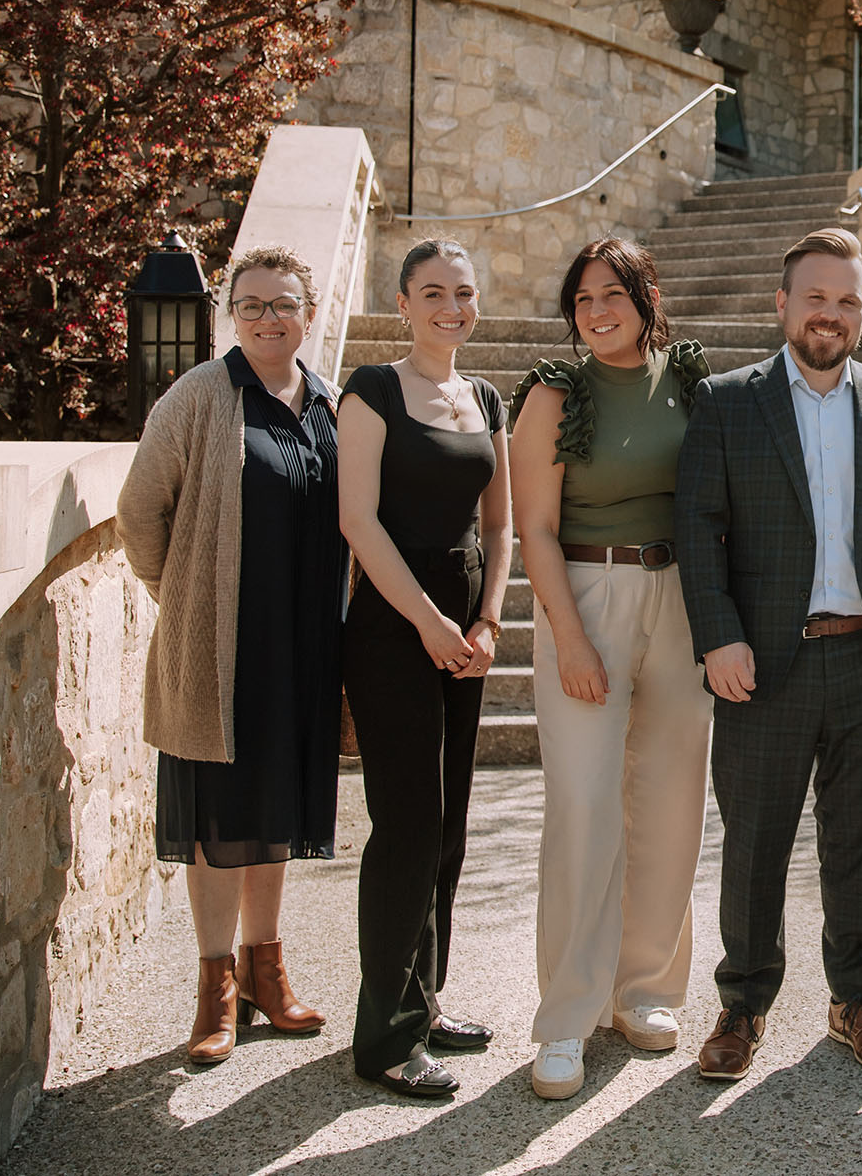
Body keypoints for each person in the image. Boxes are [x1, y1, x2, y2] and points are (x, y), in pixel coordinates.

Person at [676, 227, 862, 1081]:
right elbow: (699, 528)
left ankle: (855, 998)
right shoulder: (727, 400)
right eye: (816, 296)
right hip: (761, 661)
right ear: (785, 303)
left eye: (848, 300)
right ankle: (743, 1004)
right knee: (755, 839)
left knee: (860, 839)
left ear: (861, 312)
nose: (831, 314)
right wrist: (718, 635)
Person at [118, 244, 345, 1066]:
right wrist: (178, 596)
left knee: (276, 814)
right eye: (250, 305)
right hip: (220, 648)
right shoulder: (199, 398)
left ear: (308, 314)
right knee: (217, 822)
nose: (266, 318)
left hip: (303, 646)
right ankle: (215, 987)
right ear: (230, 315)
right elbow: (141, 513)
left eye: (282, 304)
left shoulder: (328, 401)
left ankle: (267, 969)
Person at [508, 240, 715, 1101]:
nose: (596, 311)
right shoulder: (556, 392)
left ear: (646, 295)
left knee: (670, 803)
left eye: (611, 294)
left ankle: (646, 992)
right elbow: (536, 530)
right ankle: (566, 1017)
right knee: (587, 806)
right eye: (582, 298)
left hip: (681, 598)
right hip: (585, 597)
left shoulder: (692, 383)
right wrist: (571, 637)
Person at [337, 239, 514, 1098]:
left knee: (448, 826)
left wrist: (485, 620)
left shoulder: (485, 396)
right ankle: (385, 1036)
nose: (452, 306)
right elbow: (359, 523)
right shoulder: (371, 390)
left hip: (463, 634)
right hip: (394, 626)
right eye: (434, 291)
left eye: (464, 291)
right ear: (403, 301)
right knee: (405, 826)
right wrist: (434, 622)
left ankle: (427, 996)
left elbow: (503, 526)